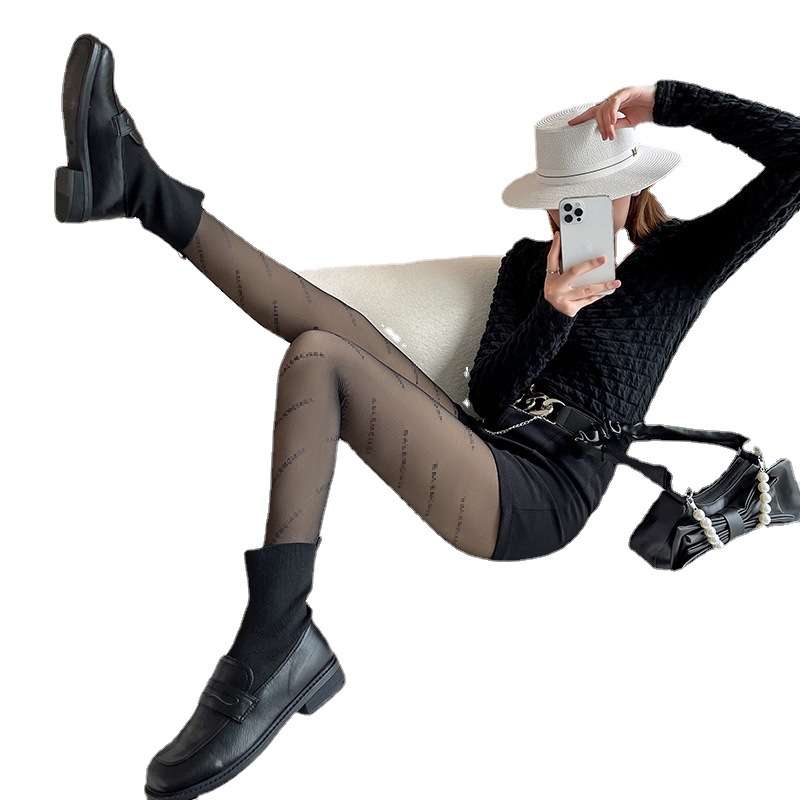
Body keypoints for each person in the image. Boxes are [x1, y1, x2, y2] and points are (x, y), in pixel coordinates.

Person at [54, 33, 800, 800]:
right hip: (482, 437)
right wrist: (551, 310)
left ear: (626, 188)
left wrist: (666, 100)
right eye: (555, 201)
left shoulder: (683, 264)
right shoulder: (529, 267)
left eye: (578, 200)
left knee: (323, 355)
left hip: (541, 493)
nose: (561, 217)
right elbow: (491, 398)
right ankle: (139, 189)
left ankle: (273, 636)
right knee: (320, 343)